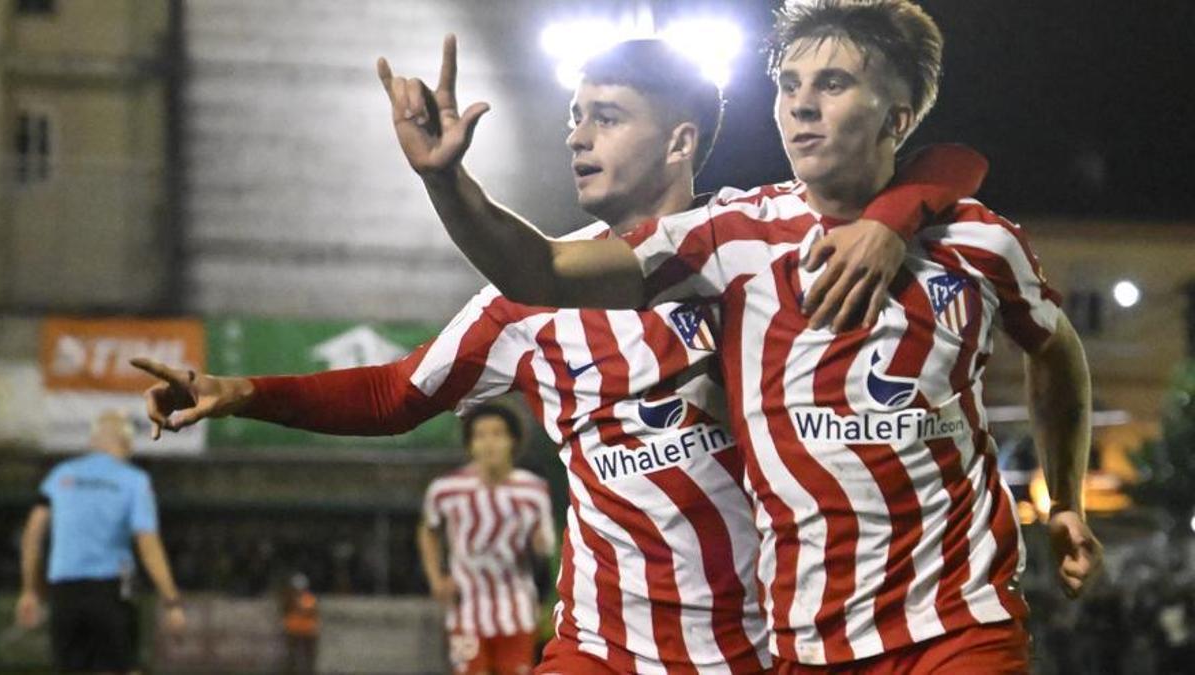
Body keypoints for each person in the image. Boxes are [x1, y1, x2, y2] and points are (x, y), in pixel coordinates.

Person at [132, 37, 984, 673]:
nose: (578, 136)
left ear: (681, 141)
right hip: (600, 647)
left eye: (606, 118)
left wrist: (893, 213)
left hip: (762, 647)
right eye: (574, 117)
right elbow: (399, 392)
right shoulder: (529, 302)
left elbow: (948, 162)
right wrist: (242, 389)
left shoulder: (750, 248)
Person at [393, 2, 1105, 672]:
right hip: (804, 637)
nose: (801, 103)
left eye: (832, 83)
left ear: (898, 115)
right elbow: (544, 268)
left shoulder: (980, 241)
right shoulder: (731, 238)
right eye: (788, 84)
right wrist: (447, 182)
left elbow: (1056, 348)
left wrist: (1065, 498)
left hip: (961, 619)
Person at [15, 410, 186, 675]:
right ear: (127, 444)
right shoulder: (135, 481)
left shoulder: (60, 475)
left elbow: (32, 534)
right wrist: (171, 600)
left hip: (64, 588)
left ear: (92, 442)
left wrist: (29, 590)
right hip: (116, 585)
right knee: (125, 668)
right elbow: (147, 543)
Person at [418, 404, 553, 675]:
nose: (489, 443)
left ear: (512, 441)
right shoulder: (446, 490)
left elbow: (544, 550)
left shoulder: (533, 491)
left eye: (497, 434)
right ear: (470, 444)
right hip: (467, 610)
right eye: (480, 435)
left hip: (517, 610)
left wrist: (544, 589)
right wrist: (435, 577)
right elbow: (428, 530)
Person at [282, 572, 320, 675]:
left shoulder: (310, 599)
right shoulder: (288, 598)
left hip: (308, 632)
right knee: (291, 658)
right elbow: (285, 611)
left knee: (309, 658)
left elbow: (312, 612)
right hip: (292, 631)